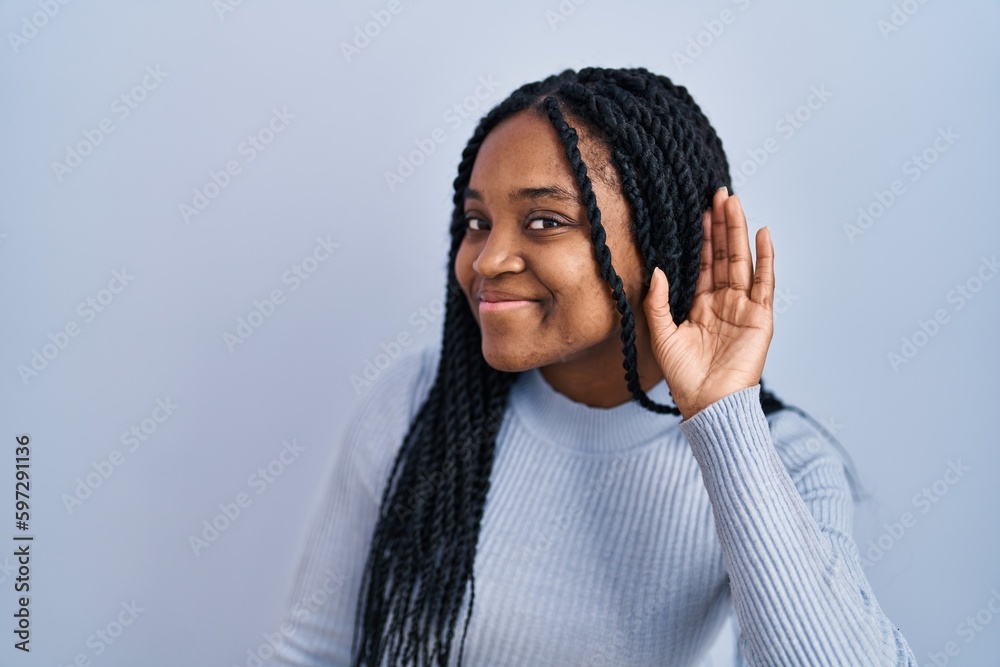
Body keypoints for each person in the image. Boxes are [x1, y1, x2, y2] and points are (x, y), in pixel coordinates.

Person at [269, 67, 917, 666]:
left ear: (660, 241)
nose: (487, 260)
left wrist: (723, 420)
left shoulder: (784, 457)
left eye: (545, 221)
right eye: (476, 220)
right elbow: (313, 649)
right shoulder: (415, 400)